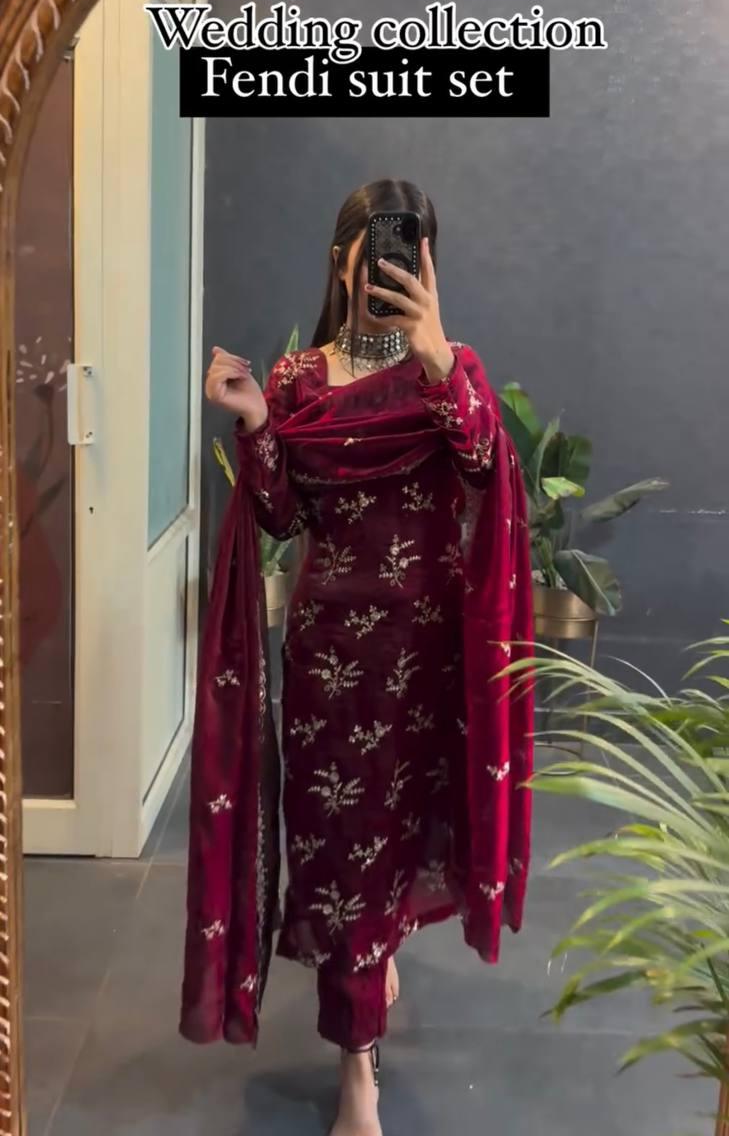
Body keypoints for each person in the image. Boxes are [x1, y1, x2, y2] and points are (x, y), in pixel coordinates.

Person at [180, 179, 534, 1136]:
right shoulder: (298, 379)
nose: (385, 271)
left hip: (425, 665)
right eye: (371, 253)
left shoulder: (450, 369)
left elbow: (484, 469)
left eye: (407, 254)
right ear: (340, 262)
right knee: (340, 858)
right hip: (332, 662)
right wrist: (256, 420)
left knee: (395, 843)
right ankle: (359, 1034)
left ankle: (365, 1021)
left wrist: (435, 360)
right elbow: (280, 517)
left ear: (429, 266)